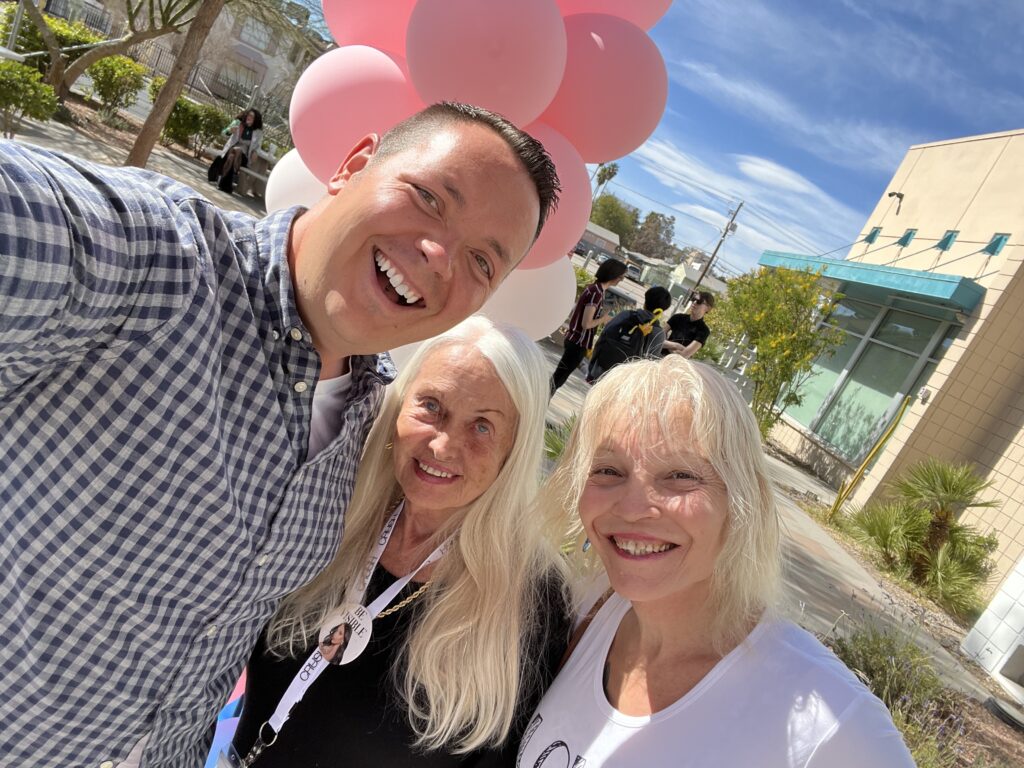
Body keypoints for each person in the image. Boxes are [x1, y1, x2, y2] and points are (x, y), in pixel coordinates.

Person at [0, 102, 559, 767]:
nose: (439, 257)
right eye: (430, 199)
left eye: (482, 263)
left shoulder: (370, 421)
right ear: (353, 165)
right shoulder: (154, 260)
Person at [519, 357, 915, 767]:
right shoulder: (587, 614)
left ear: (741, 501)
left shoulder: (831, 726)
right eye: (608, 470)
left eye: (680, 475)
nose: (633, 507)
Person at [229, 316, 571, 767]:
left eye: (483, 427)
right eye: (431, 406)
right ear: (400, 402)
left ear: (515, 448)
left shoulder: (531, 602)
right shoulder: (332, 508)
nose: (443, 446)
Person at [550, 258, 627, 394]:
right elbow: (587, 324)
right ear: (613, 275)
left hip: (576, 340)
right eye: (621, 277)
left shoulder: (595, 290)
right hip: (578, 342)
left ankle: (540, 403)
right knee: (558, 379)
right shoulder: (596, 293)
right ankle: (538, 404)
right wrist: (603, 319)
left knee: (558, 378)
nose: (621, 280)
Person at [586, 285, 672, 382]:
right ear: (663, 310)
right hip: (627, 381)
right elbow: (650, 365)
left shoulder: (626, 315)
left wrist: (592, 367)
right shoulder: (658, 333)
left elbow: (604, 336)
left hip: (603, 370)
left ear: (645, 301)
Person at [207, 108, 264, 194]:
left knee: (235, 153)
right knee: (234, 152)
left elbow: (258, 146)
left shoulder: (258, 132)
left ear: (256, 120)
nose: (249, 117)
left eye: (252, 117)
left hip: (243, 157)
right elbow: (223, 133)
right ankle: (226, 183)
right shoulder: (238, 123)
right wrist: (229, 131)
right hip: (230, 150)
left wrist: (256, 151)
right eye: (249, 115)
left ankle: (222, 182)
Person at [662, 290, 714, 358]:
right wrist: (676, 346)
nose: (694, 302)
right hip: (658, 356)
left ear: (708, 308)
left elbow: (684, 355)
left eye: (699, 301)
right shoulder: (677, 317)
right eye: (693, 299)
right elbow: (658, 338)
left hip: (676, 365)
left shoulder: (704, 330)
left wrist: (667, 344)